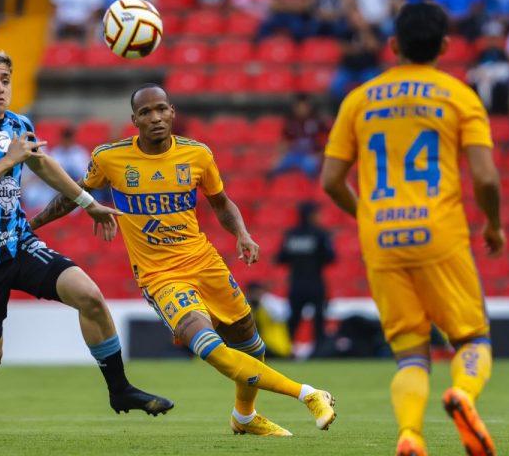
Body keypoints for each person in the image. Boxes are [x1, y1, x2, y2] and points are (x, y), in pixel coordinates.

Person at [29, 83, 337, 437]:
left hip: (205, 263)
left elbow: (221, 204)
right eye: (146, 112)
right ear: (134, 120)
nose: (155, 117)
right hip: (161, 276)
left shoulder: (197, 155)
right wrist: (32, 224)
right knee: (210, 349)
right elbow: (73, 194)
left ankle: (245, 416)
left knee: (251, 345)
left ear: (172, 112)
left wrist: (242, 233)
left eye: (161, 109)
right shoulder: (109, 158)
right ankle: (308, 394)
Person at [0, 51, 172, 444]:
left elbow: (42, 164)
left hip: (18, 242)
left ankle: (119, 388)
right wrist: (8, 160)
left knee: (89, 295)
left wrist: (88, 203)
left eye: (5, 79)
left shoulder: (18, 124)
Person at [320, 2, 503, 456]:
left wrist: (366, 214)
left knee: (410, 352)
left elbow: (330, 181)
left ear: (393, 45)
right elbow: (485, 178)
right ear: (445, 46)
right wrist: (494, 225)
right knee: (471, 338)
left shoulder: (360, 99)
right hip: (439, 232)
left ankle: (410, 435)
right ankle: (462, 393)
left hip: (381, 238)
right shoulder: (458, 95)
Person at [275, 202, 335, 357]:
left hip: (296, 284)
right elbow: (330, 257)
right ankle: (319, 353)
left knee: (293, 319)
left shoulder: (292, 235)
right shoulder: (321, 234)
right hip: (315, 283)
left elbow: (280, 258)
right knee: (319, 320)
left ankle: (286, 350)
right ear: (310, 215)